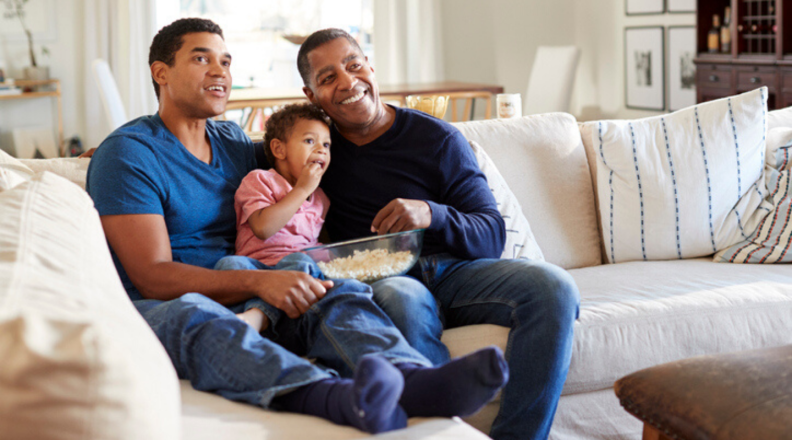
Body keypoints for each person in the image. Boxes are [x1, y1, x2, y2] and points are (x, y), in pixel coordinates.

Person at [85, 18, 509, 435]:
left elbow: (290, 152)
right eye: (202, 59)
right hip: (173, 302)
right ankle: (337, 399)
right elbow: (152, 276)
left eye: (227, 62)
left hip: (251, 284)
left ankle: (412, 380)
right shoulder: (129, 155)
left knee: (336, 290)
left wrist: (269, 281)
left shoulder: (232, 142)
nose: (220, 72)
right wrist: (260, 286)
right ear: (161, 72)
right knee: (196, 315)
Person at [296, 28, 580, 440]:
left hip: (458, 273)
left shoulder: (435, 138)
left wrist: (433, 213)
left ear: (371, 67)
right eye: (328, 78)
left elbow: (490, 234)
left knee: (554, 286)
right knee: (402, 300)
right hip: (387, 278)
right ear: (311, 96)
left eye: (354, 65)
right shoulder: (317, 153)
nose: (347, 82)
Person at [229, 102, 332, 333]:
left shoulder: (321, 199)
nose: (322, 150)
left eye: (326, 144)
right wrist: (302, 190)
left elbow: (314, 241)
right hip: (256, 270)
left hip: (297, 266)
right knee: (228, 265)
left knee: (303, 261)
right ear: (279, 149)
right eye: (309, 141)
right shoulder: (260, 180)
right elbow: (263, 227)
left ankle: (259, 316)